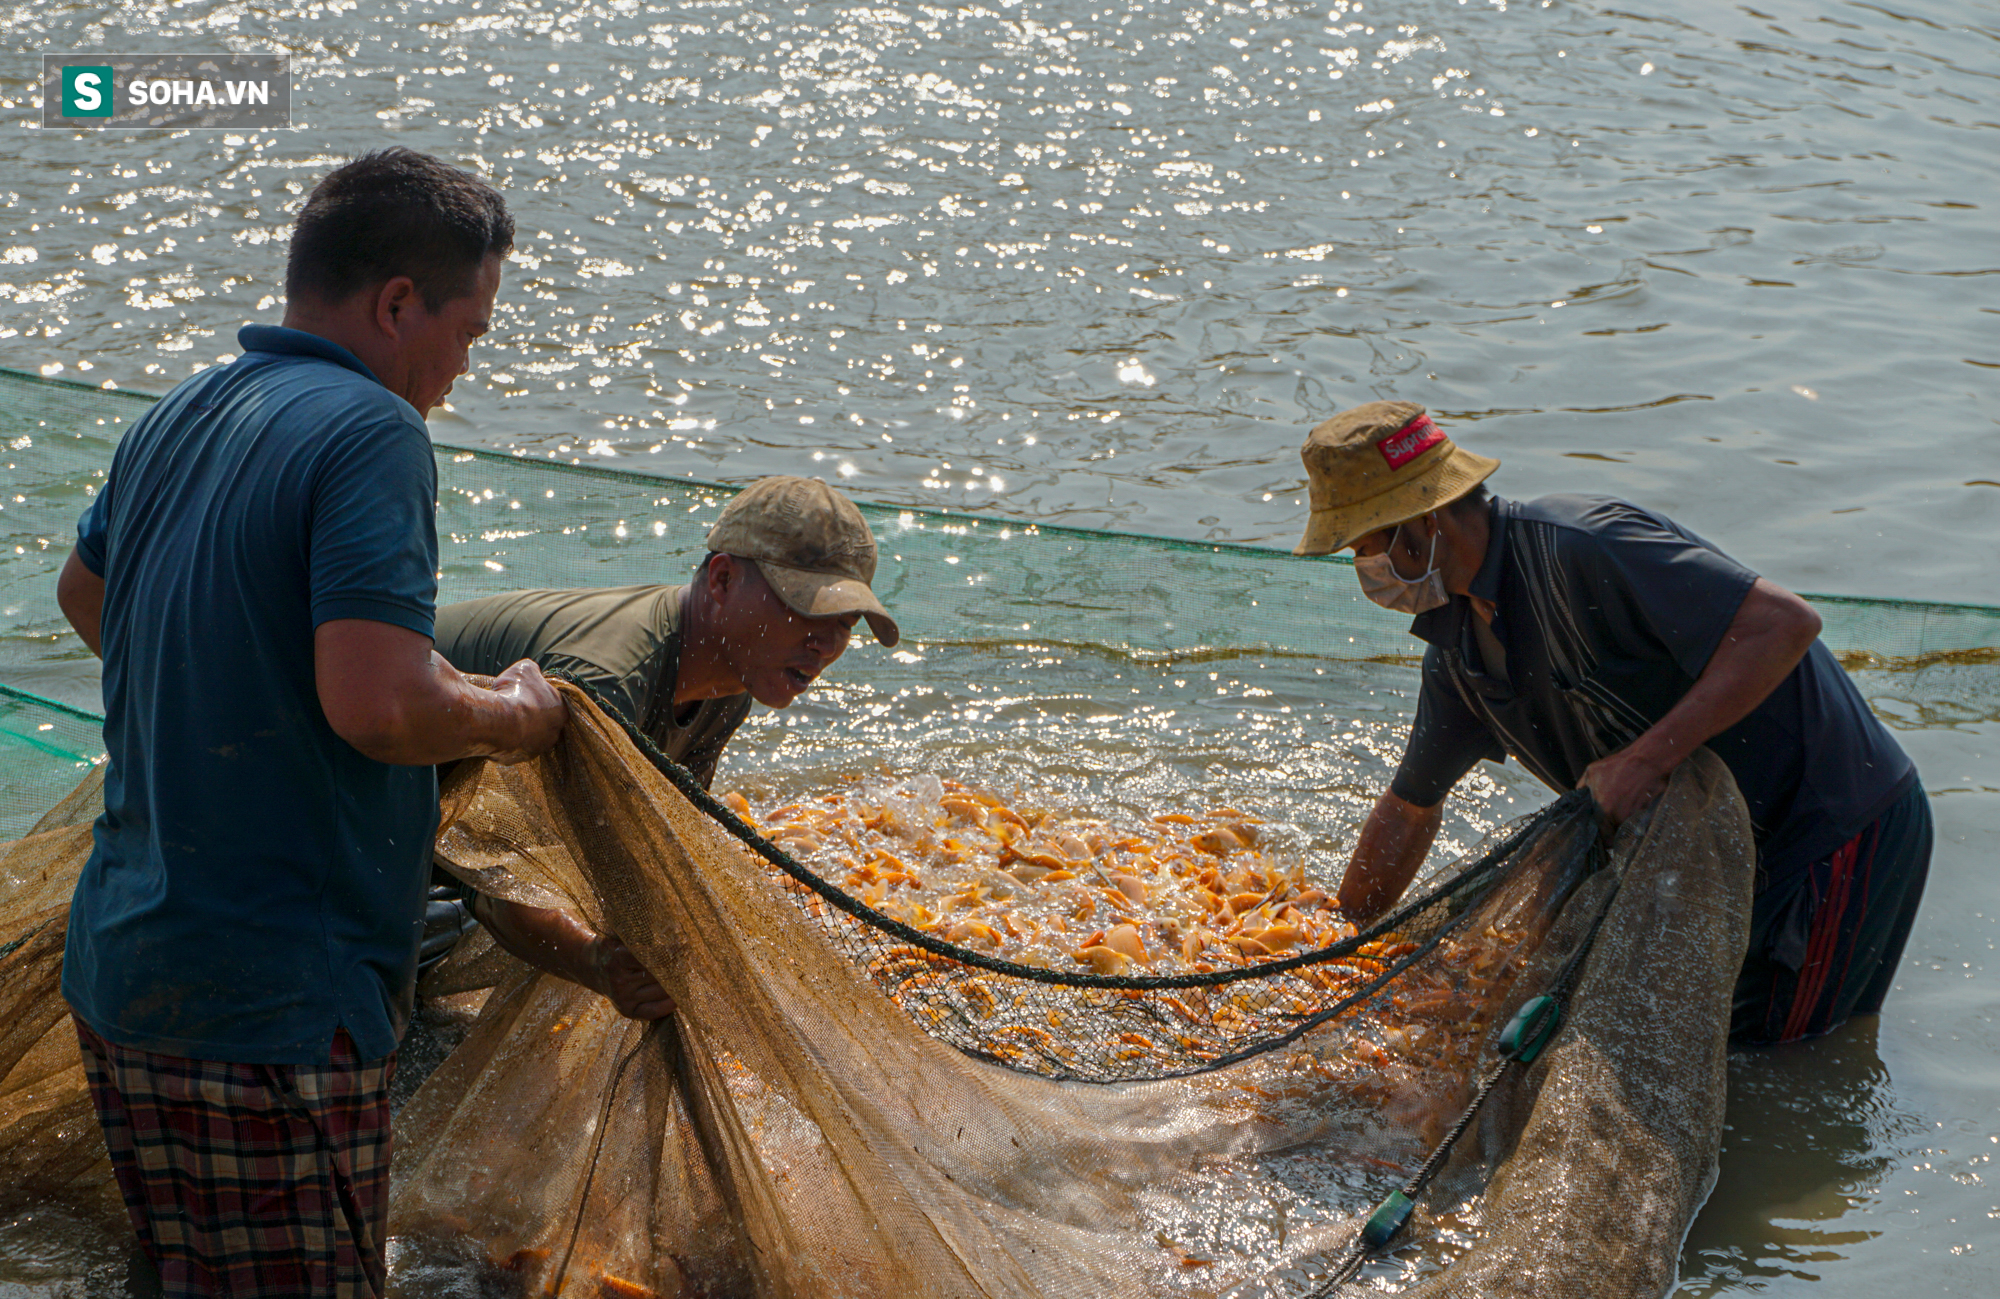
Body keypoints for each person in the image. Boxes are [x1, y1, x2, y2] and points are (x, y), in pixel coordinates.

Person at [54, 149, 567, 1298]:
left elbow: (86, 600)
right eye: (468, 332)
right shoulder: (372, 431)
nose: (460, 368)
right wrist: (513, 714)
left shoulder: (182, 411)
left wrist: (234, 692)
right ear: (397, 306)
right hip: (272, 997)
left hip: (128, 967)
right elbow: (382, 706)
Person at [1295, 401, 1929, 1046]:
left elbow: (1784, 625)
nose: (1364, 571)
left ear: (1421, 522)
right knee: (1679, 1035)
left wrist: (1644, 759)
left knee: (1773, 1049)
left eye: (1365, 548)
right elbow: (1409, 808)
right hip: (1715, 857)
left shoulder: (1587, 544)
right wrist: (1345, 939)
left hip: (1828, 827)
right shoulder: (1457, 655)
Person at [426, 474, 901, 1021]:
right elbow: (503, 883)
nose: (824, 644)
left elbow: (645, 849)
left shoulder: (731, 686)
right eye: (806, 610)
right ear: (722, 580)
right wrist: (593, 962)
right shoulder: (606, 686)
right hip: (346, 808)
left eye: (843, 624)